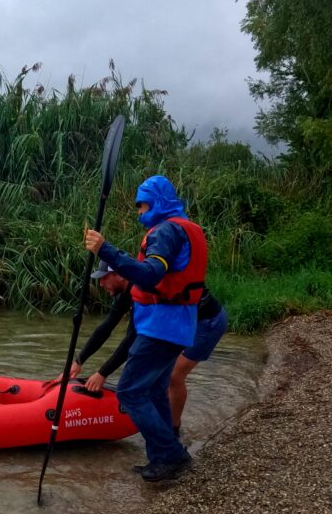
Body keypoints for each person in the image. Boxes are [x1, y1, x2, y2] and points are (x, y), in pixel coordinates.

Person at [84, 175, 207, 482]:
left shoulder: (166, 231)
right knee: (153, 391)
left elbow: (151, 275)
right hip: (175, 326)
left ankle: (172, 456)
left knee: (129, 392)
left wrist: (105, 250)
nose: (139, 212)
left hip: (162, 328)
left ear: (157, 202)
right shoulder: (179, 228)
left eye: (142, 205)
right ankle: (162, 458)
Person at [71, 260, 228, 438]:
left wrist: (102, 373)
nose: (100, 284)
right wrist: (79, 361)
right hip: (182, 325)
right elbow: (106, 327)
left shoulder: (142, 290)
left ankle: (173, 431)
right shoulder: (127, 291)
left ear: (120, 275)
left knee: (173, 377)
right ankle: (164, 429)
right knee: (158, 380)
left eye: (104, 278)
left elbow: (131, 339)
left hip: (206, 323)